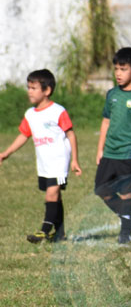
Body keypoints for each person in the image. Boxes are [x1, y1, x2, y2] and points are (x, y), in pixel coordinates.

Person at [0, 69, 82, 242]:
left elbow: (71, 134)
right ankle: (59, 233)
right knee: (55, 196)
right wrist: (6, 153)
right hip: (44, 163)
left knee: (51, 195)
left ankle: (44, 230)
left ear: (47, 91)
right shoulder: (30, 114)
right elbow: (24, 135)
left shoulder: (58, 111)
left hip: (59, 161)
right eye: (28, 87)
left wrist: (74, 160)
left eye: (34, 88)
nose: (29, 91)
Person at [95, 47, 131, 244]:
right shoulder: (112, 94)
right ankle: (130, 218)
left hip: (129, 152)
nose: (118, 74)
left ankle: (125, 232)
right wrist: (100, 148)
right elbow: (105, 121)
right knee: (101, 189)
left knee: (128, 191)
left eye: (123, 69)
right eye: (116, 69)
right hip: (110, 151)